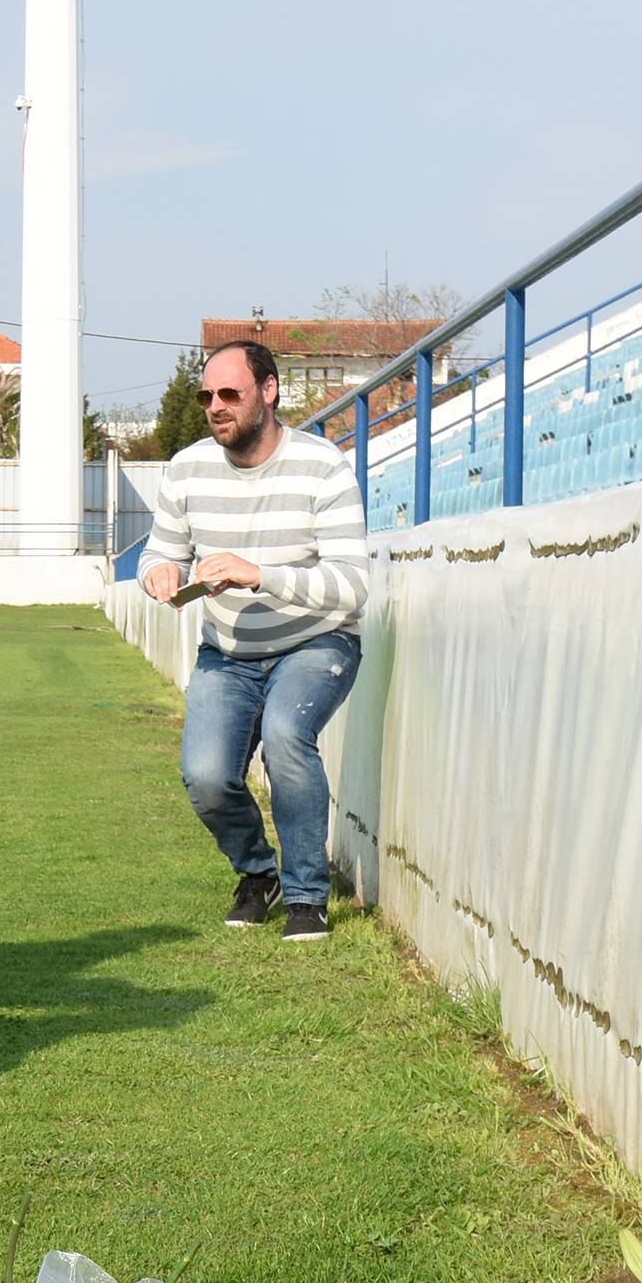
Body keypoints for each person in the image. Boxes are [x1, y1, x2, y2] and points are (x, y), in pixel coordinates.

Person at [138, 339, 368, 942]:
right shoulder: (185, 468)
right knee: (207, 777)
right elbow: (161, 549)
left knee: (286, 736)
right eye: (206, 395)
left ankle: (306, 896)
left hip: (317, 643)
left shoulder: (323, 465)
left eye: (229, 393)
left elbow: (353, 586)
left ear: (268, 392)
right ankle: (257, 874)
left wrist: (259, 574)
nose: (216, 406)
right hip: (229, 652)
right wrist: (156, 571)